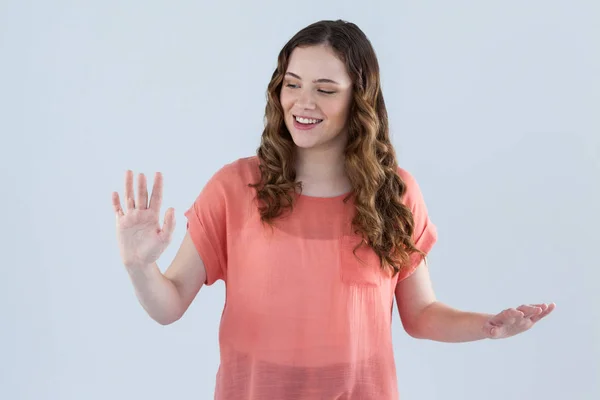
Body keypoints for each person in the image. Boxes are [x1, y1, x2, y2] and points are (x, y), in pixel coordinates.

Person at [111, 19, 555, 400]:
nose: (303, 103)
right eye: (292, 84)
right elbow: (168, 306)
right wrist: (138, 266)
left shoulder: (394, 193)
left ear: (358, 100)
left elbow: (420, 315)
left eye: (325, 89)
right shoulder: (235, 188)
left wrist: (488, 326)